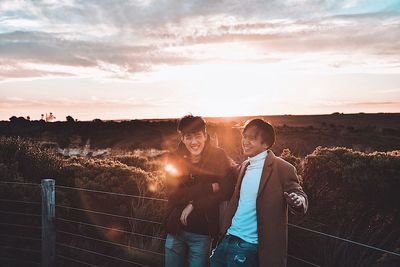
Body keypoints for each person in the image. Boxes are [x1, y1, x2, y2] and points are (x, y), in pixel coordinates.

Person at [210, 118, 308, 267]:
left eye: (252, 138)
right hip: (228, 238)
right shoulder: (244, 165)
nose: (245, 141)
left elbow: (298, 193)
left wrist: (298, 200)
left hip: (249, 246)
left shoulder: (283, 168)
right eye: (245, 136)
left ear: (266, 144)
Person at [164, 115, 235, 267]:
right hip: (175, 230)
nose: (194, 142)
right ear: (182, 138)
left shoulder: (218, 156)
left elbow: (227, 190)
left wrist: (194, 204)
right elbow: (173, 194)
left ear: (205, 135)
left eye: (198, 136)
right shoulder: (174, 158)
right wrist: (208, 187)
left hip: (202, 233)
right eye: (188, 137)